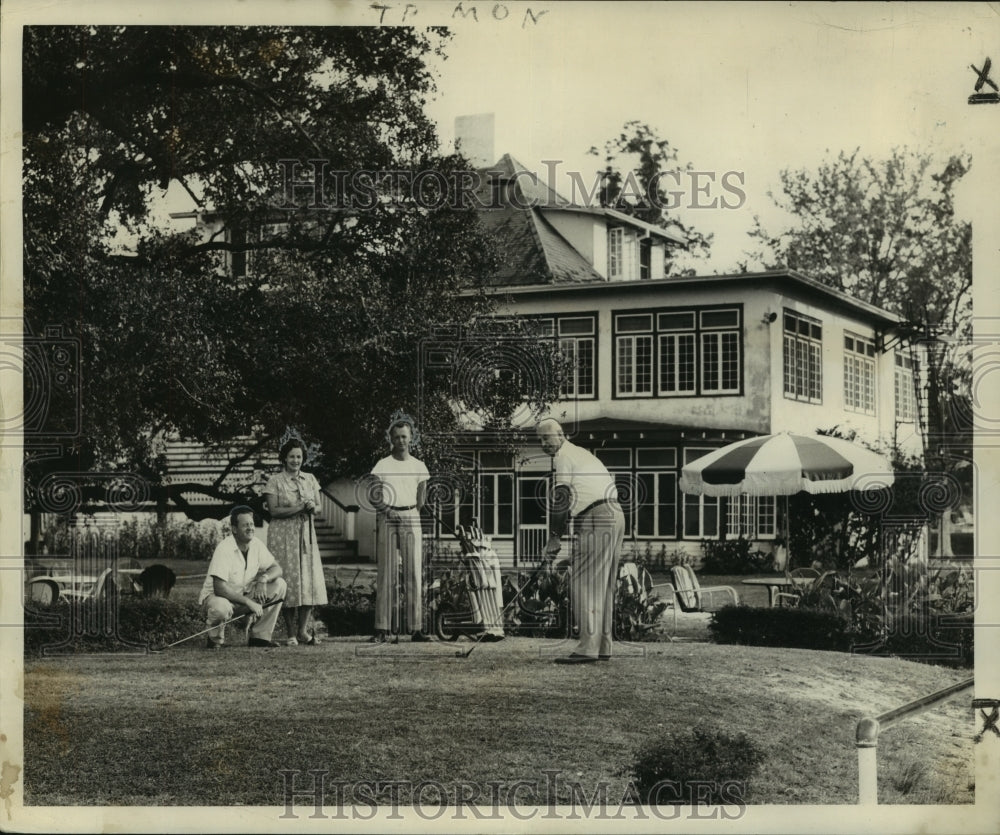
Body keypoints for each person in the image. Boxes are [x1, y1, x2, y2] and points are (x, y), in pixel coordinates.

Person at [536, 418, 625, 664]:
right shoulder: (580, 453)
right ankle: (603, 646)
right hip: (615, 513)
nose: (544, 443)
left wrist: (554, 538)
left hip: (597, 516)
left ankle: (587, 648)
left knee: (581, 581)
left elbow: (562, 497)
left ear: (561, 435)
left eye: (547, 437)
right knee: (604, 584)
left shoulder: (564, 456)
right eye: (540, 439)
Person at [367, 418, 430, 642]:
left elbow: (421, 498)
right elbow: (373, 495)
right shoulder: (382, 465)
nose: (401, 440)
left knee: (413, 570)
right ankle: (382, 628)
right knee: (386, 572)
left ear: (411, 437)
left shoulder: (419, 466)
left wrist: (407, 511)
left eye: (404, 436)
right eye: (396, 437)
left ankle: (416, 628)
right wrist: (388, 509)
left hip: (411, 516)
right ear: (391, 439)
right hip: (387, 517)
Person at [264, 439, 329, 646]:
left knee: (309, 582)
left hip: (306, 536)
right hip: (283, 537)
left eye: (299, 456)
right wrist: (300, 507)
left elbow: (319, 507)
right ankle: (290, 633)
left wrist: (311, 507)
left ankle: (302, 631)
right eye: (291, 456)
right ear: (284, 458)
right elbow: (273, 511)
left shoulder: (310, 479)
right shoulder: (275, 481)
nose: (295, 460)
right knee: (289, 583)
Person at [199, 505, 286, 649]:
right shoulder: (224, 548)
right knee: (222, 607)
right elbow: (219, 588)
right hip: (216, 600)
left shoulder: (256, 544)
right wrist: (249, 602)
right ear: (234, 529)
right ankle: (215, 639)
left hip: (242, 599)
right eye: (245, 525)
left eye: (252, 524)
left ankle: (260, 638)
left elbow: (277, 568)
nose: (251, 528)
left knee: (280, 584)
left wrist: (262, 579)